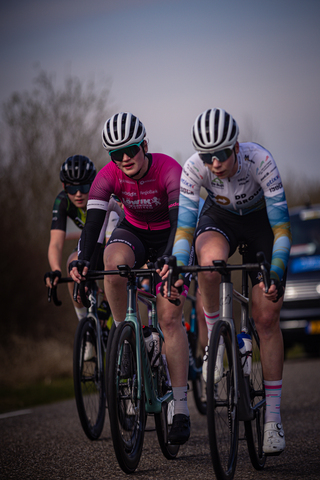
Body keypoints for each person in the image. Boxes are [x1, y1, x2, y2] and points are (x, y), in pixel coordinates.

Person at [166, 108, 292, 455]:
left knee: (266, 318)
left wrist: (277, 271)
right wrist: (178, 267)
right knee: (207, 266)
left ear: (235, 147)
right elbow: (185, 229)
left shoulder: (260, 161)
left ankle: (273, 420)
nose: (215, 163)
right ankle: (217, 347)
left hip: (260, 224)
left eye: (221, 154)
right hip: (220, 219)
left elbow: (282, 230)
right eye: (208, 156)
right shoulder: (194, 168)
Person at [69, 112, 190, 445]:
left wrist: (170, 259)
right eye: (115, 154)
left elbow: (182, 225)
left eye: (131, 150)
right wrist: (81, 264)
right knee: (111, 261)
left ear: (145, 146)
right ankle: (126, 337)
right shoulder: (107, 177)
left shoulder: (168, 169)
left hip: (171, 235)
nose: (124, 159)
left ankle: (180, 407)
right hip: (134, 231)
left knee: (168, 318)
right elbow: (93, 228)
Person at [44, 155, 123, 325]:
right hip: (90, 247)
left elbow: (111, 242)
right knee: (71, 264)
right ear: (64, 187)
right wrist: (55, 270)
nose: (78, 194)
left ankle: (107, 304)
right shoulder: (63, 201)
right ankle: (84, 324)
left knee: (112, 262)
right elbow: (56, 243)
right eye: (72, 189)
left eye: (85, 187)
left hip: (112, 243)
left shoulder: (106, 196)